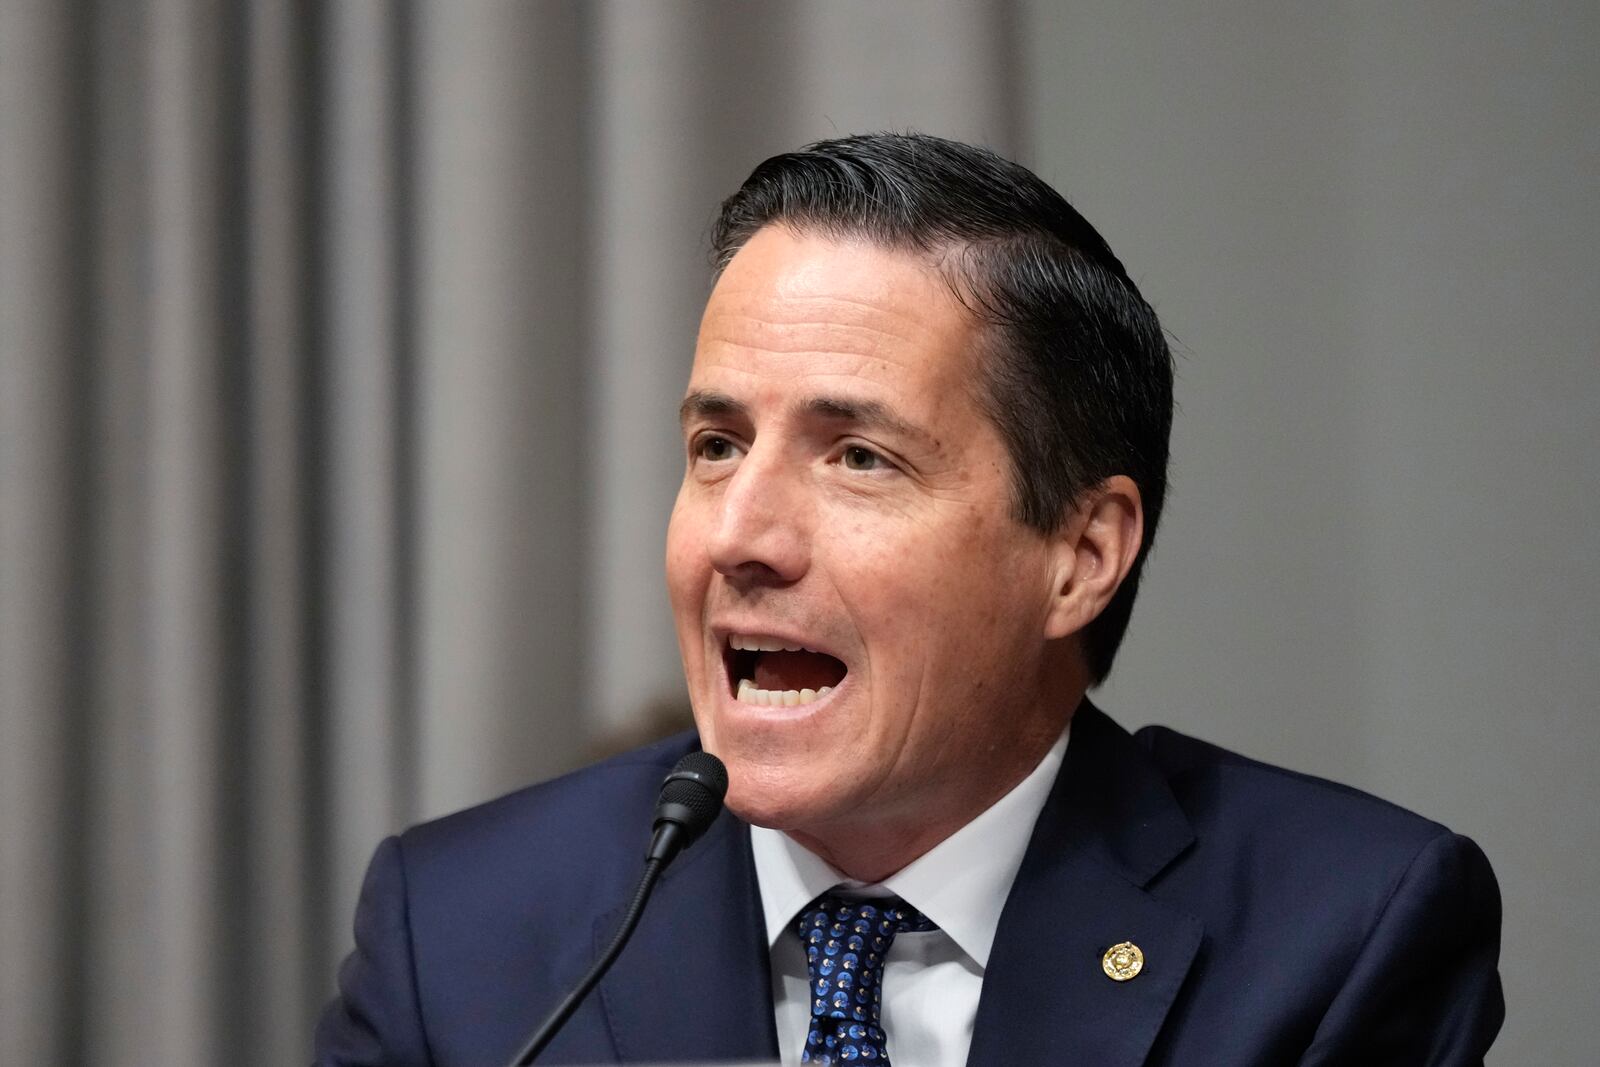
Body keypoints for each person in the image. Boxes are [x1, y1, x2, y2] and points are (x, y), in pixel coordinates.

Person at [314, 133, 1502, 1066]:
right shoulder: (462, 929)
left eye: (858, 458)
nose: (739, 535)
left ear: (1080, 553)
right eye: (717, 444)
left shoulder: (1338, 932)